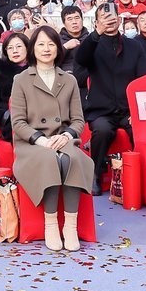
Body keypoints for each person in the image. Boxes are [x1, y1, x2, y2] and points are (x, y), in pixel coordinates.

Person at [9, 26, 93, 251]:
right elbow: (17, 122)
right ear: (32, 49)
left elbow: (78, 120)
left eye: (51, 44)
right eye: (40, 44)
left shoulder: (69, 80)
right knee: (50, 160)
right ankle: (51, 224)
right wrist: (41, 140)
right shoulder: (21, 79)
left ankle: (71, 226)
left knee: (71, 159)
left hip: (64, 139)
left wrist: (67, 135)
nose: (46, 49)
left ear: (58, 48)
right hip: (33, 143)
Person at [78, 4, 146, 193]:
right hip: (101, 109)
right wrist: (96, 34)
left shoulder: (134, 45)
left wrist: (137, 112)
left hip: (128, 110)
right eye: (103, 18)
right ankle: (96, 173)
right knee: (101, 131)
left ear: (119, 20)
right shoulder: (92, 44)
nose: (109, 21)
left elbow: (143, 79)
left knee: (140, 130)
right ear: (96, 22)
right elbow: (80, 59)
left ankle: (144, 176)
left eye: (112, 17)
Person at [0, 31, 31, 142]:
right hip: (12, 123)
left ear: (28, 48)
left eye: (19, 46)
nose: (15, 51)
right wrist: (5, 116)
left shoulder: (37, 69)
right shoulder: (1, 72)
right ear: (5, 52)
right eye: (10, 48)